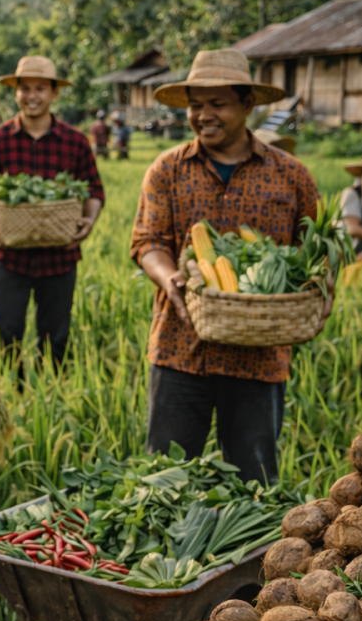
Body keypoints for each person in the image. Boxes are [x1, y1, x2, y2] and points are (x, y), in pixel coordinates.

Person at [130, 48, 323, 485]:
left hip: (260, 357)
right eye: (196, 104)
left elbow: (315, 254)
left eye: (217, 103)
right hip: (180, 349)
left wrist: (318, 294)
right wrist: (170, 276)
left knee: (253, 486)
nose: (203, 114)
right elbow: (148, 242)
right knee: (166, 482)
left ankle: (250, 557)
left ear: (247, 105)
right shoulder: (167, 170)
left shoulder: (292, 176)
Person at [0, 55, 105, 373]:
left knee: (56, 338)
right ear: (15, 92)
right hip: (9, 257)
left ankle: (53, 398)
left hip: (59, 258)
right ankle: (9, 400)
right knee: (5, 335)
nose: (32, 95)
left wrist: (89, 220)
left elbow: (95, 191)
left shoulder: (75, 142)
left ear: (54, 94)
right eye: (25, 88)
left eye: (40, 89)